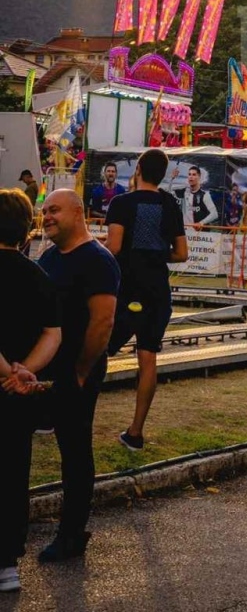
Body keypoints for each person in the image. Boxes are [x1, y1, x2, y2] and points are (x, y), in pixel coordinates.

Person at [37, 190, 120, 563]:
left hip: (75, 371)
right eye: (43, 211)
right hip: (43, 369)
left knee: (73, 451)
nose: (46, 216)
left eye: (54, 210)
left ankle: (71, 534)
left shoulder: (97, 260)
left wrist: (82, 369)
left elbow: (103, 321)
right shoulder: (51, 256)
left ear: (77, 213)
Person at [105, 148, 188, 450]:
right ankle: (136, 432)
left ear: (138, 169)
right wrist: (155, 254)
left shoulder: (121, 203)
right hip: (157, 290)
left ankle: (57, 412)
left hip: (127, 288)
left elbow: (113, 247)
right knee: (148, 357)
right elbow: (181, 253)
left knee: (97, 349)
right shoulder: (171, 205)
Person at [0, 189, 61, 594]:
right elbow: (52, 333)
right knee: (12, 470)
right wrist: (25, 372)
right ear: (27, 231)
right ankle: (7, 563)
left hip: (7, 382)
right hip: (17, 397)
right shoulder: (39, 276)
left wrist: (6, 370)